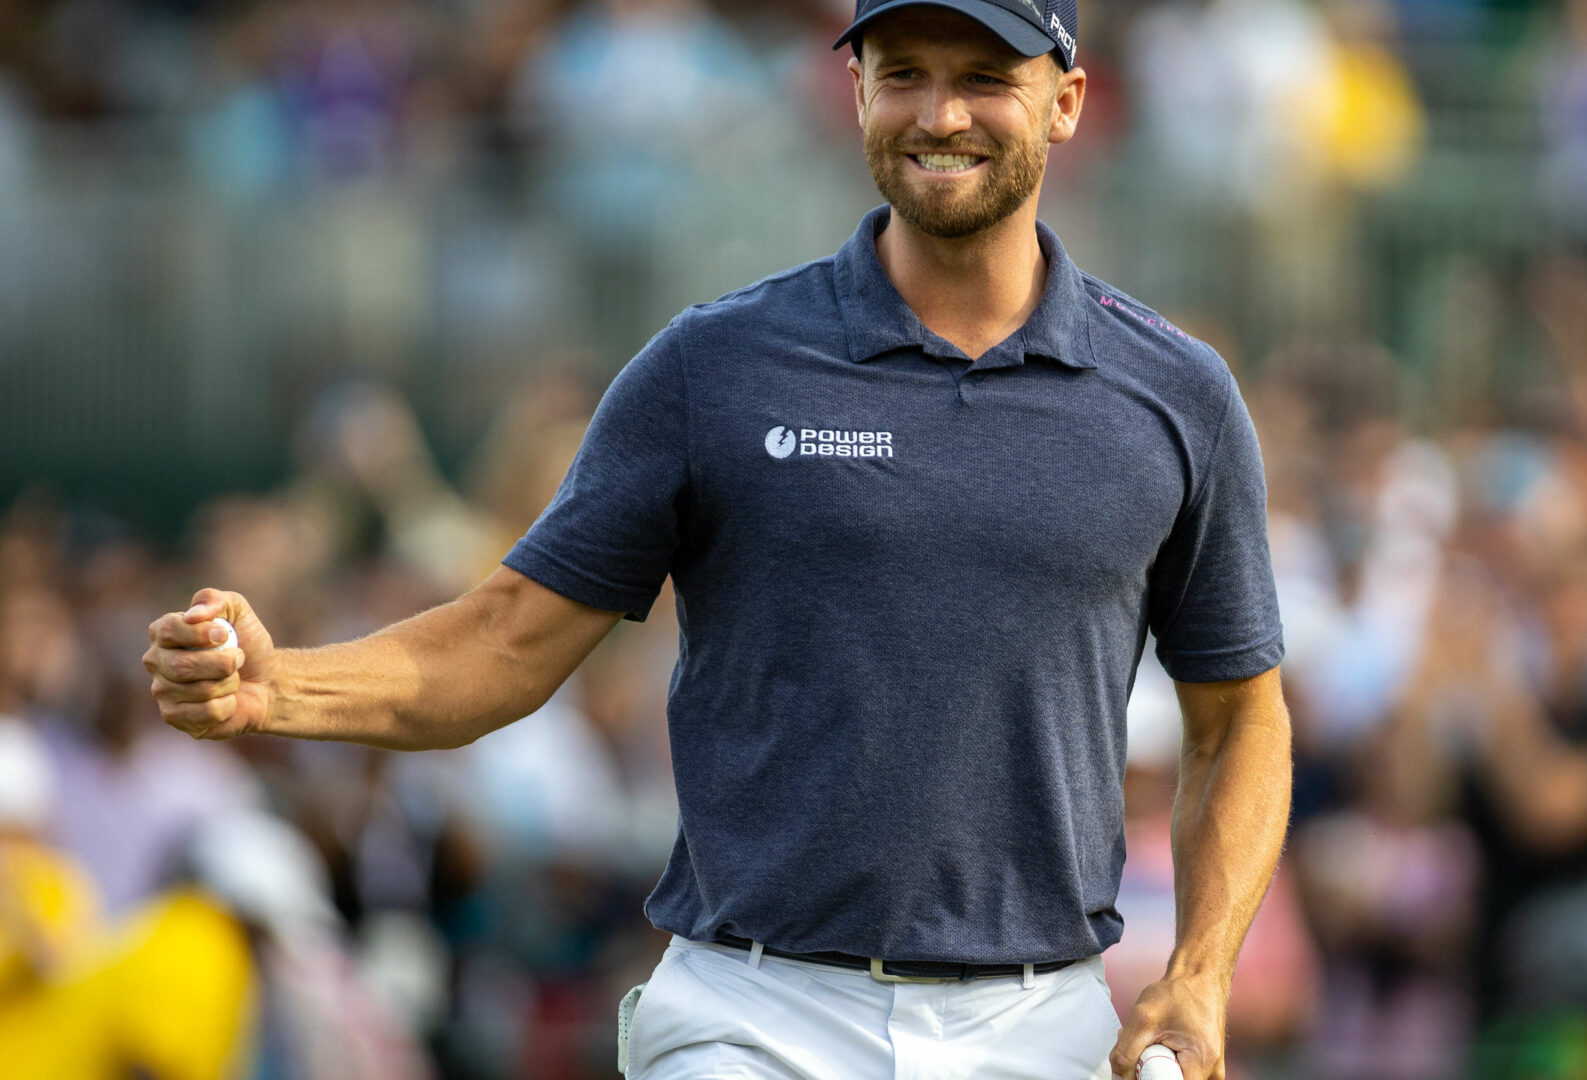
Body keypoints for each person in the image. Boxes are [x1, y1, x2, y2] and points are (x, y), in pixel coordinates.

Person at [144, 2, 1294, 1078]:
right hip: (754, 1019)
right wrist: (272, 688)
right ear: (855, 93)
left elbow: (1239, 721)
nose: (940, 116)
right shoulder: (714, 367)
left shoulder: (1175, 396)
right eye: (905, 77)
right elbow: (502, 644)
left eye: (985, 78)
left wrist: (1199, 974)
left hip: (1040, 1024)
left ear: (1068, 102)